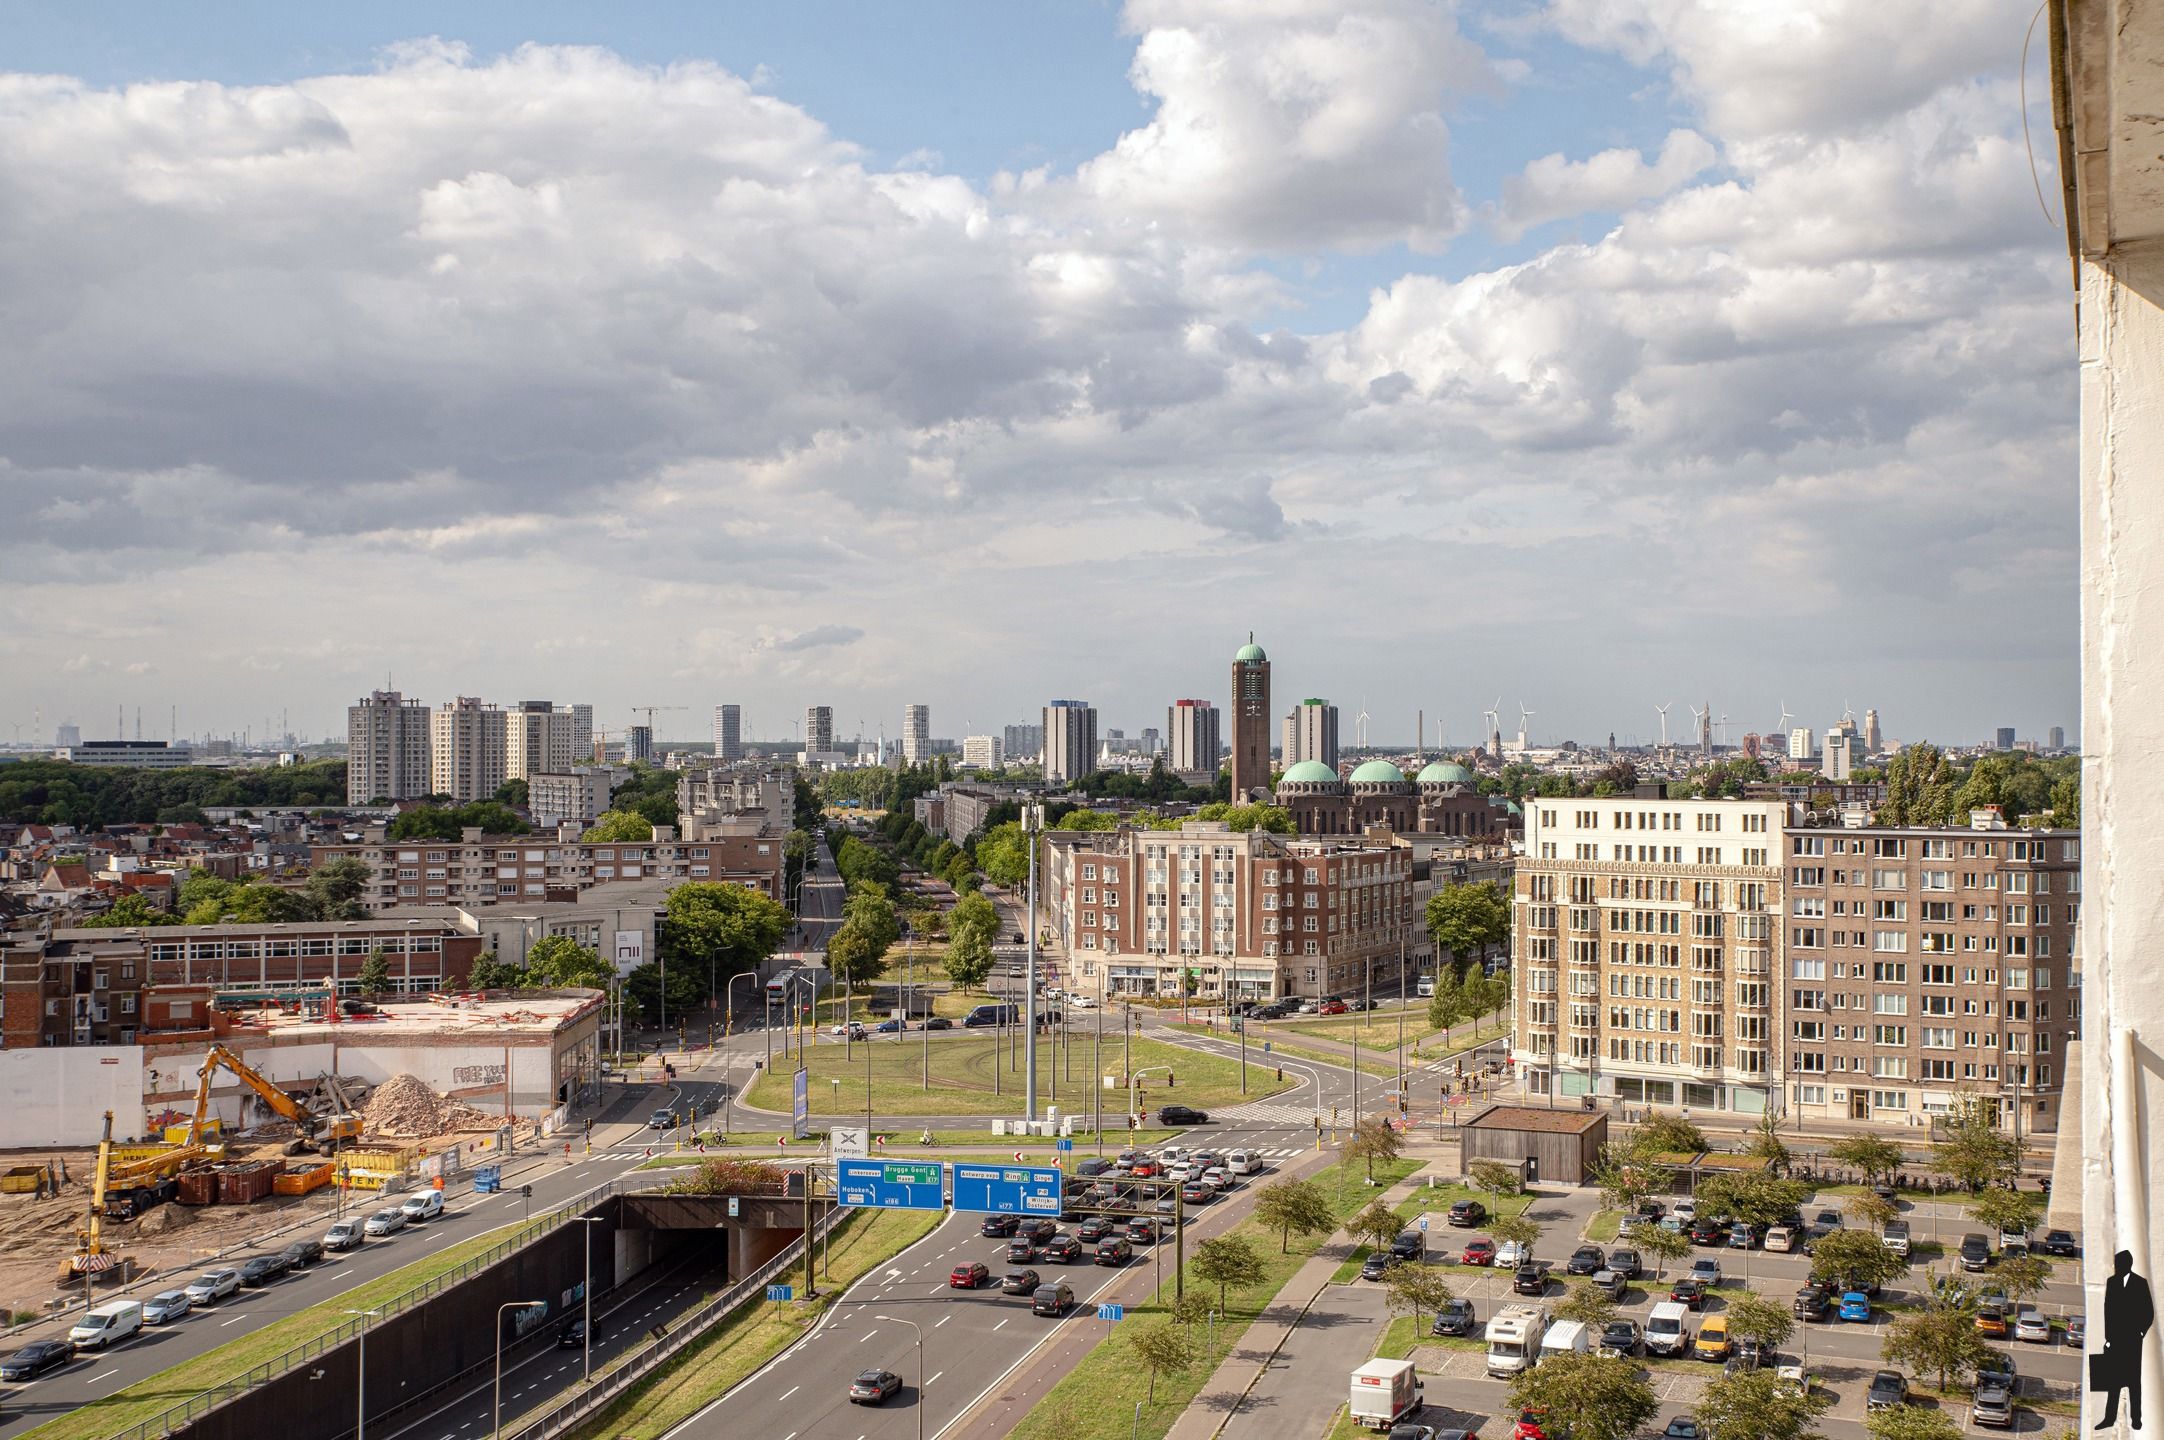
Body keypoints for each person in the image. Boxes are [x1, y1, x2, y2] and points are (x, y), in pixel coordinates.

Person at [2097, 1248, 2154, 1430]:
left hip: (2132, 1340)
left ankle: (2136, 1419)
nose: (2116, 1267)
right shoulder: (2111, 1283)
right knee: (2113, 1381)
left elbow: (2148, 1312)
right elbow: (2108, 1311)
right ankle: (2109, 1418)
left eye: (2119, 1264)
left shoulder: (2140, 1283)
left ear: (2126, 1265)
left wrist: (2140, 1333)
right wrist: (2107, 1338)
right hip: (2115, 1340)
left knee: (2133, 1381)